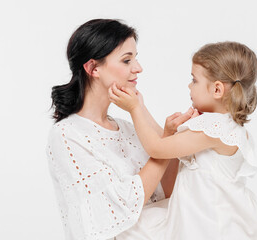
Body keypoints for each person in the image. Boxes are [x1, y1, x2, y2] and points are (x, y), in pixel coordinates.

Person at [46, 19, 196, 240]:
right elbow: (123, 206)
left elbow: (170, 190)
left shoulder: (127, 126)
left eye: (135, 58)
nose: (138, 68)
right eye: (127, 60)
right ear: (93, 68)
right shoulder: (68, 135)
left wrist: (153, 122)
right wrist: (160, 143)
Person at [109, 41, 257, 239]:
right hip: (202, 215)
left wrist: (135, 109)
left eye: (194, 80)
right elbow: (169, 150)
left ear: (217, 90)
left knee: (131, 228)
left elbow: (157, 148)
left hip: (208, 224)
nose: (189, 85)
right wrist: (143, 107)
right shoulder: (228, 126)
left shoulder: (213, 128)